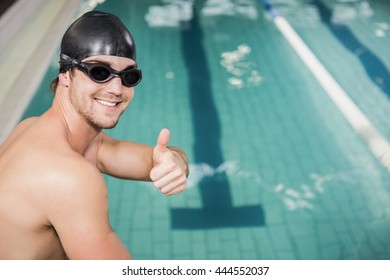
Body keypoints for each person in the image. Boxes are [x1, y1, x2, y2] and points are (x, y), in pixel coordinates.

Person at [0, 11, 189, 260]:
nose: (116, 88)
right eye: (100, 72)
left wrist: (176, 161)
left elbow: (150, 159)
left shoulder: (34, 128)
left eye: (128, 76)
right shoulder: (67, 176)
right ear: (65, 74)